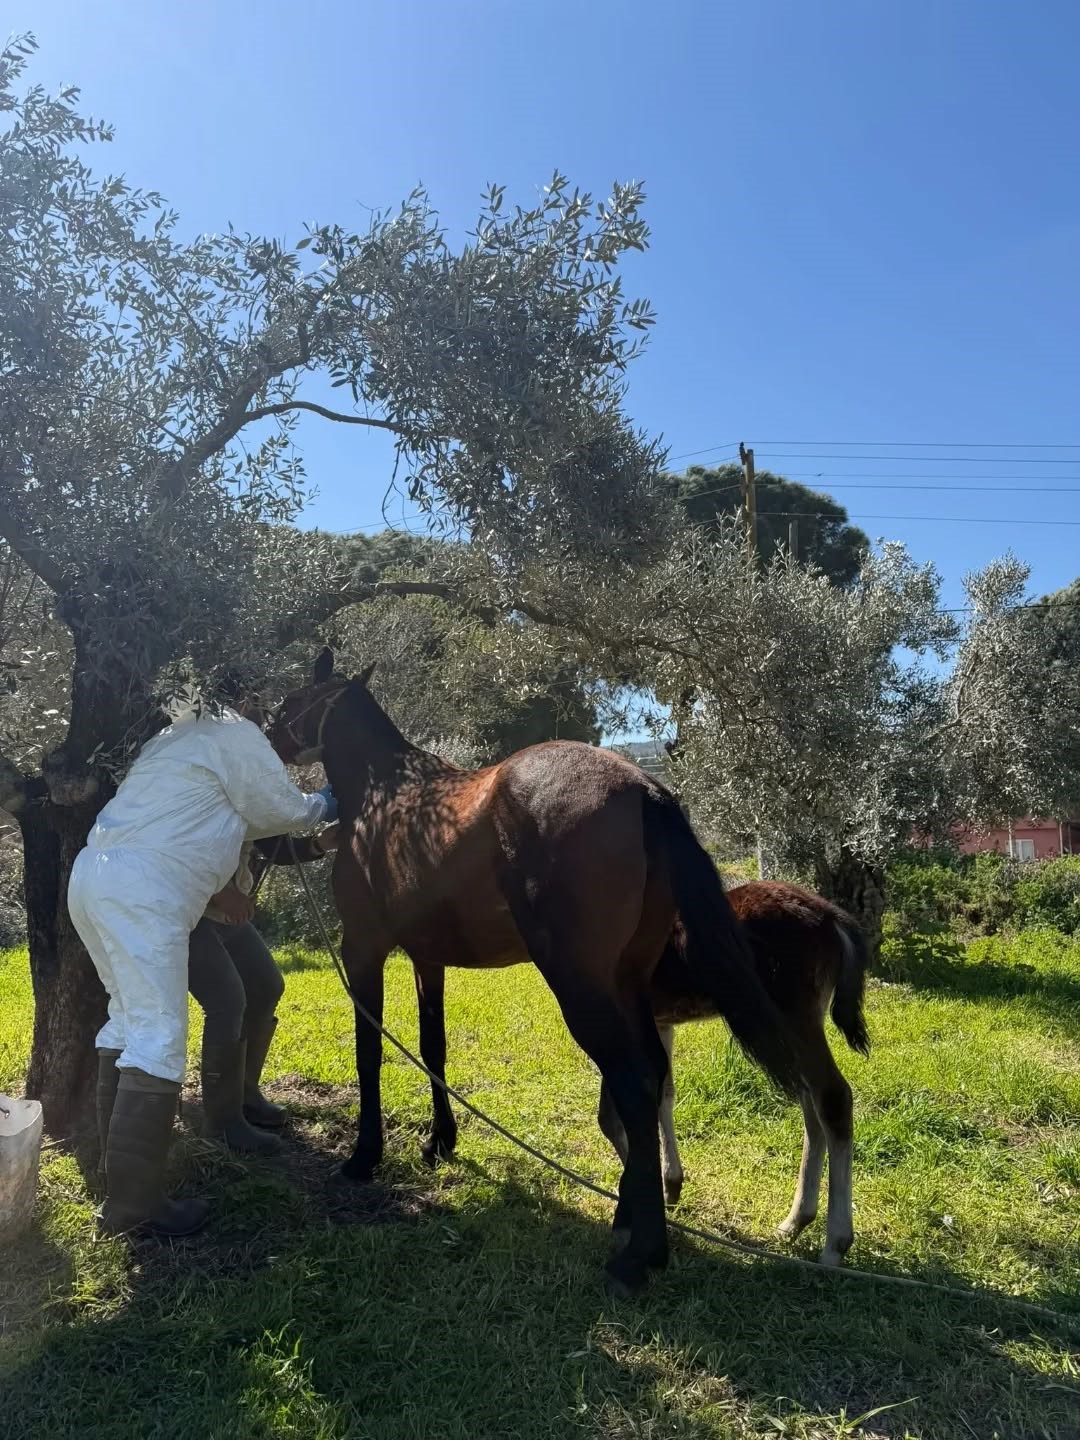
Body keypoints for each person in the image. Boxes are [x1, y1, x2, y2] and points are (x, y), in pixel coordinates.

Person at [67, 684, 337, 1239]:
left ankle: (117, 1181)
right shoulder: (233, 731)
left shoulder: (170, 738)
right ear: (244, 700)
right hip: (149, 890)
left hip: (95, 878)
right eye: (264, 703)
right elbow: (279, 809)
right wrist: (326, 802)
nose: (268, 715)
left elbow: (249, 825)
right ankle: (134, 1209)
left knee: (126, 1022)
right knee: (159, 1036)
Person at [187, 829, 337, 1154]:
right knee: (227, 1001)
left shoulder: (252, 792)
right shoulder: (198, 788)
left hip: (227, 915)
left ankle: (244, 1093)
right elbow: (178, 848)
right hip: (186, 913)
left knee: (266, 986)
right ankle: (223, 1121)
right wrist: (219, 892)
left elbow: (274, 843)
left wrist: (318, 843)